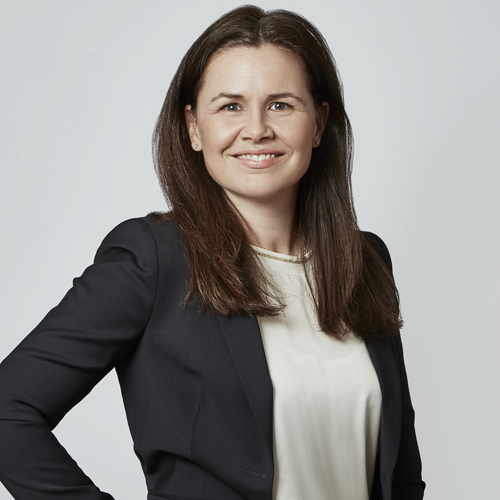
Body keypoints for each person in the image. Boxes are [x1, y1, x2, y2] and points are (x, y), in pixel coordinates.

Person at [0, 5, 424, 500]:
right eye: (230, 107)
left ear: (318, 123)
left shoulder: (365, 259)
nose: (257, 129)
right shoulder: (154, 259)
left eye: (281, 105)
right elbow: (9, 410)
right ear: (193, 128)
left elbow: (400, 473)